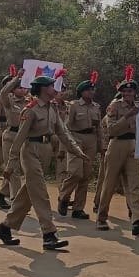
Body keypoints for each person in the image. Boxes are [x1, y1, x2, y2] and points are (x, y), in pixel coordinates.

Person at [0, 75, 86, 251]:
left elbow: (63, 133)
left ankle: (5, 228)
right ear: (43, 89)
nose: (55, 89)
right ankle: (49, 234)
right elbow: (19, 138)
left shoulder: (52, 108)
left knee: (28, 193)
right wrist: (11, 163)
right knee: (41, 193)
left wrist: (76, 150)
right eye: (52, 86)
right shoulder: (30, 110)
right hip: (30, 151)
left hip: (45, 151)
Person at [94, 66, 139, 236]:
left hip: (133, 145)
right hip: (117, 144)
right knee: (110, 183)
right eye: (125, 91)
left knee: (134, 184)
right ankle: (101, 217)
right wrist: (127, 116)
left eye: (131, 91)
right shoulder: (114, 106)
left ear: (135, 92)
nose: (128, 94)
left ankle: (138, 220)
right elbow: (111, 129)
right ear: (121, 92)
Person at [57, 73, 102, 221]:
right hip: (75, 139)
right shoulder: (74, 106)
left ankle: (78, 208)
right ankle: (64, 197)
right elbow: (65, 128)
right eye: (88, 90)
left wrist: (101, 146)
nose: (91, 92)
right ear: (81, 92)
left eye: (92, 90)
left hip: (91, 140)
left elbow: (99, 128)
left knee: (85, 176)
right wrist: (63, 148)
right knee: (75, 173)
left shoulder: (96, 107)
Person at [0, 73, 27, 210]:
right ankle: (16, 201)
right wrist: (17, 78)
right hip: (11, 136)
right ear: (13, 89)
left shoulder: (30, 102)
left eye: (24, 87)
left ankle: (1, 194)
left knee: (19, 169)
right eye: (19, 87)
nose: (22, 90)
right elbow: (3, 92)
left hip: (24, 138)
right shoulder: (8, 100)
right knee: (14, 169)